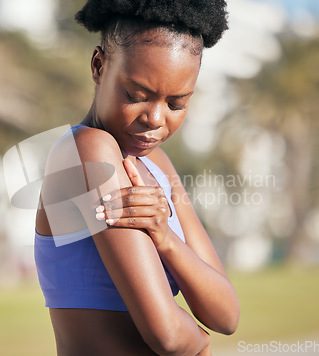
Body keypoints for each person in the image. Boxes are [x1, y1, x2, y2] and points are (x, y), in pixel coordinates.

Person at [34, 0, 239, 354]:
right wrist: (203, 346)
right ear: (99, 66)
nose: (156, 118)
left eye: (177, 103)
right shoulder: (88, 150)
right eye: (137, 96)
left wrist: (166, 239)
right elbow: (169, 337)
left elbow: (226, 314)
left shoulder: (158, 164)